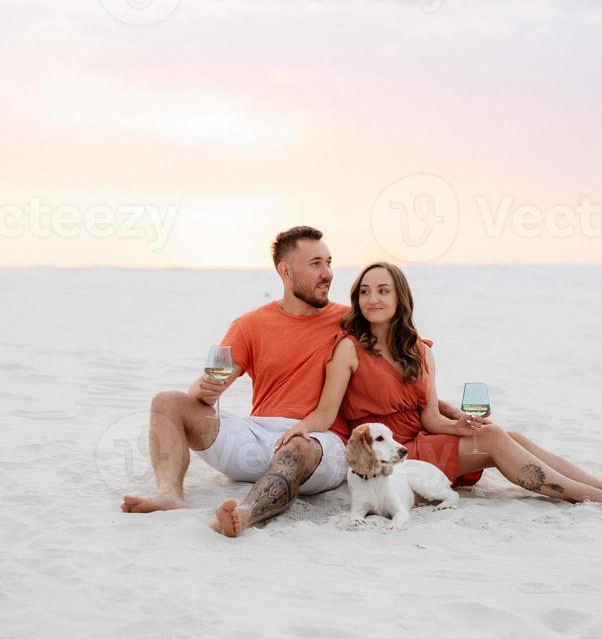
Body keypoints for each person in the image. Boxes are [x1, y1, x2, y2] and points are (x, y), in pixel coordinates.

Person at [121, 227, 470, 535]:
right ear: (286, 271)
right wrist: (201, 390)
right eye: (316, 264)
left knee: (298, 446)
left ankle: (245, 513)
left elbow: (400, 378)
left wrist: (450, 413)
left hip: (321, 441)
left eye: (329, 262)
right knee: (167, 402)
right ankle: (169, 493)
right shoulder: (250, 324)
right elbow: (209, 383)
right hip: (256, 436)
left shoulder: (351, 322)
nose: (328, 273)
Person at [278, 262, 602, 510]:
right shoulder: (349, 348)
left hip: (422, 440)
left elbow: (431, 418)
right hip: (391, 454)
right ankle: (589, 497)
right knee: (496, 436)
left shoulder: (419, 350)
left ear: (399, 297)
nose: (372, 299)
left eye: (383, 291)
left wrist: (458, 426)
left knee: (514, 436)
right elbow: (326, 412)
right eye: (365, 292)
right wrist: (301, 428)